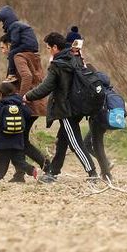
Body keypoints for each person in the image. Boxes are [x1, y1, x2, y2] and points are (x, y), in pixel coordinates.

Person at [25, 32, 99, 183]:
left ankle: (92, 172)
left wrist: (27, 96)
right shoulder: (74, 57)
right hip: (78, 106)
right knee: (62, 140)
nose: (48, 51)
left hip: (66, 109)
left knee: (75, 142)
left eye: (48, 48)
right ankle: (53, 172)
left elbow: (46, 87)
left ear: (55, 47)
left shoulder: (58, 65)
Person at [0, 34, 48, 180]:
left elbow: (27, 77)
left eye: (3, 47)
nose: (2, 51)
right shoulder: (31, 55)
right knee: (20, 139)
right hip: (35, 103)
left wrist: (19, 99)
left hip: (28, 105)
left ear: (10, 45)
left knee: (20, 141)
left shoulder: (18, 57)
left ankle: (48, 166)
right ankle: (20, 174)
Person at [67, 27, 114, 182]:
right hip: (104, 111)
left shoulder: (82, 69)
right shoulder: (89, 68)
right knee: (89, 142)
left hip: (97, 112)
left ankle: (106, 174)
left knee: (95, 143)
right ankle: (106, 169)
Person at [0, 81, 39, 181]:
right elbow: (29, 114)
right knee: (18, 160)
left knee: (2, 162)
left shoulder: (0, 105)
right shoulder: (20, 103)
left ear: (1, 93)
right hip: (18, 139)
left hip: (3, 140)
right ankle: (31, 170)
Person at [0, 5, 39, 77]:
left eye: (3, 21)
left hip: (27, 45)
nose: (2, 24)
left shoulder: (14, 26)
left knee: (12, 54)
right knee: (12, 53)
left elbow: (15, 41)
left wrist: (11, 52)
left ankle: (11, 75)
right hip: (31, 46)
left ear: (7, 20)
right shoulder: (18, 25)